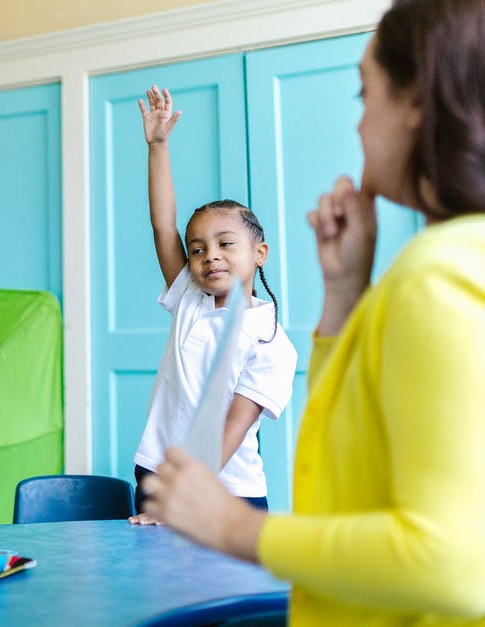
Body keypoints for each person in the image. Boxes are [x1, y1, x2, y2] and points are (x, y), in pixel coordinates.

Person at [142, 0, 485, 622]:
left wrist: (232, 527)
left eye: (364, 93)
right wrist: (345, 294)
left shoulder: (439, 280)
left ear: (417, 104)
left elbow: (454, 563)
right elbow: (353, 458)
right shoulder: (450, 268)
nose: (358, 124)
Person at [129, 86, 297, 525]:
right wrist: (158, 147)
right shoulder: (190, 298)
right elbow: (162, 224)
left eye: (225, 244)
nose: (210, 257)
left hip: (227, 493)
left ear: (259, 253)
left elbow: (232, 429)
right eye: (198, 249)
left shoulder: (271, 340)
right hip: (158, 474)